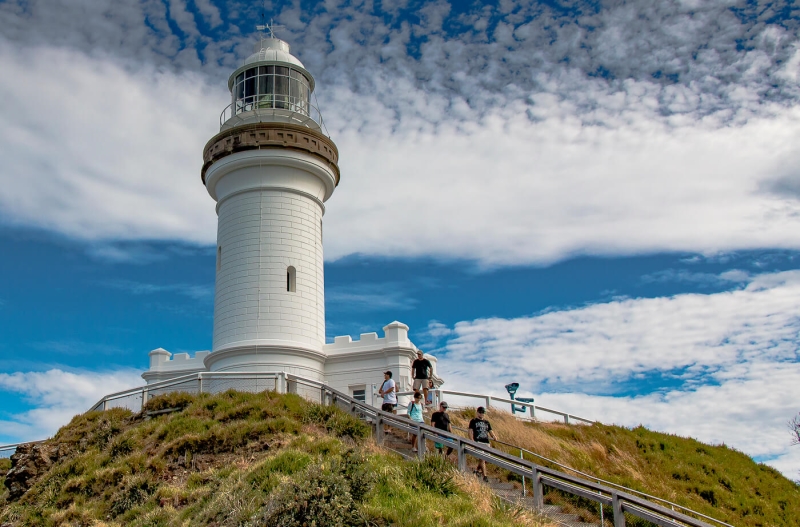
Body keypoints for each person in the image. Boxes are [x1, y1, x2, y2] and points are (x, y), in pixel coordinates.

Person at [468, 406, 497, 481]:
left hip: (486, 442)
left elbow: (490, 430)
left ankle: (477, 470)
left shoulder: (486, 422)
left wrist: (494, 436)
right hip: (478, 441)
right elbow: (470, 431)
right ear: (477, 412)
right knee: (482, 459)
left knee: (487, 459)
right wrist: (472, 440)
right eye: (480, 412)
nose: (481, 414)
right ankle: (485, 476)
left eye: (483, 413)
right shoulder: (473, 421)